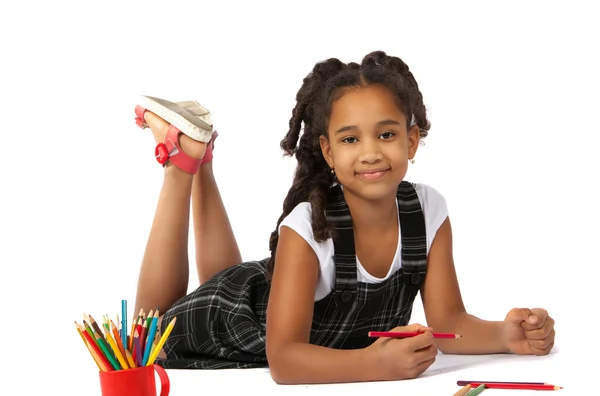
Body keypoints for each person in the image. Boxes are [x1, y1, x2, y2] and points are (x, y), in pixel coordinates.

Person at [131, 51, 556, 385]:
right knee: (144, 340)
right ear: (329, 151)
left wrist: (506, 335)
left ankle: (199, 158)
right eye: (351, 139)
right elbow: (283, 360)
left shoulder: (428, 211)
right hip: (229, 319)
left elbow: (448, 320)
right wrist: (372, 365)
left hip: (261, 290)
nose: (370, 152)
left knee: (226, 274)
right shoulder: (307, 228)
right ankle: (179, 166)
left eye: (386, 134)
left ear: (412, 140)